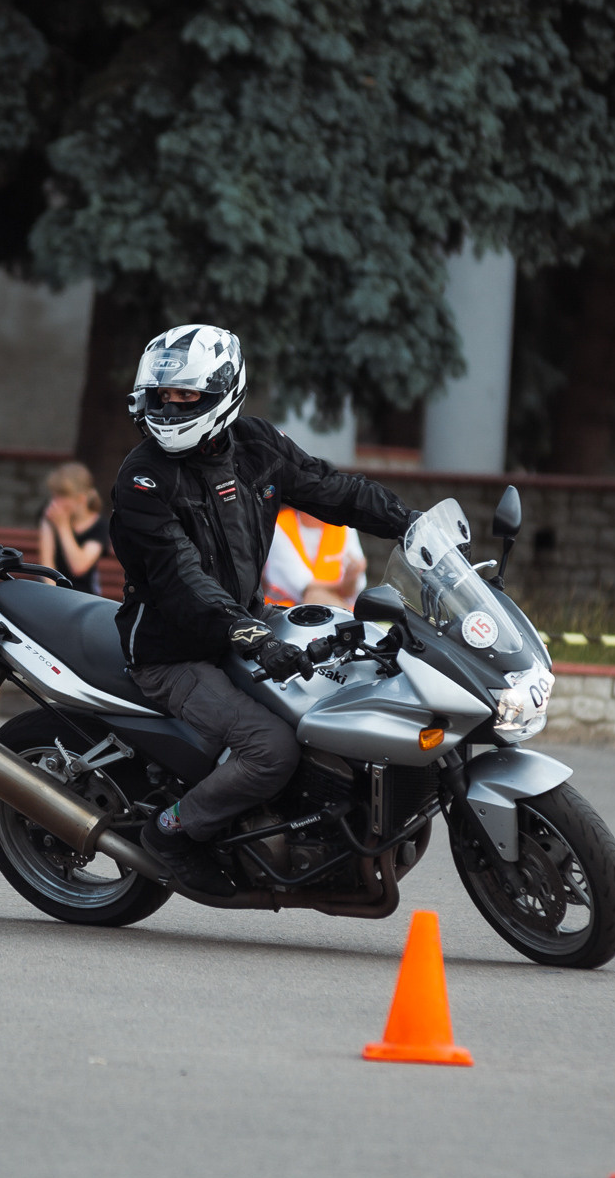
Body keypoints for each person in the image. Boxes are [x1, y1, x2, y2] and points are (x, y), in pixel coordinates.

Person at [107, 324, 414, 890]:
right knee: (270, 749)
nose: (170, 408)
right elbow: (182, 580)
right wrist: (252, 636)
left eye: (185, 396)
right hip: (173, 650)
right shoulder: (145, 478)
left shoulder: (256, 446)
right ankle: (171, 831)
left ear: (223, 392)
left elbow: (331, 489)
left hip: (247, 621)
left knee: (357, 678)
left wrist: (410, 524)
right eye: (161, 396)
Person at [260, 506, 366, 611]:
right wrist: (345, 583)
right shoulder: (280, 525)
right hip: (284, 613)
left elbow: (356, 586)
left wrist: (352, 578)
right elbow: (304, 586)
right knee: (314, 596)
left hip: (338, 608)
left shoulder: (343, 525)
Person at [36, 461, 108, 595]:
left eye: (62, 496)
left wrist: (63, 526)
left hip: (84, 596)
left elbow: (78, 567)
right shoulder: (50, 518)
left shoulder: (100, 526)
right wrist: (54, 596)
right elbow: (46, 567)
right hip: (52, 592)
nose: (55, 502)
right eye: (54, 495)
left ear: (80, 499)